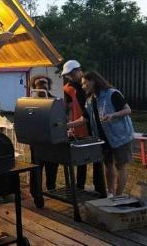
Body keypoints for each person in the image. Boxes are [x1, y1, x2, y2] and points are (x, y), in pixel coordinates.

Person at [67, 71, 134, 197]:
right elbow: (84, 119)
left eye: (84, 83)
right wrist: (67, 125)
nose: (82, 86)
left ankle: (118, 196)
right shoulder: (90, 100)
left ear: (93, 82)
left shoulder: (112, 94)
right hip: (102, 139)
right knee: (108, 165)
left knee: (120, 166)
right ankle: (110, 194)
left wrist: (113, 115)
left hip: (120, 137)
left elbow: (127, 110)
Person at [62, 60, 106, 196]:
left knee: (97, 159)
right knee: (82, 158)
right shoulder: (68, 87)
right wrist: (70, 123)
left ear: (78, 71)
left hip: (93, 126)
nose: (69, 77)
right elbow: (69, 107)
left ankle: (100, 189)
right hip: (79, 126)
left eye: (70, 74)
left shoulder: (89, 85)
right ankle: (80, 186)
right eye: (68, 75)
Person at [30, 74, 59, 191]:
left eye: (44, 82)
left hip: (52, 141)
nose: (42, 85)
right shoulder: (30, 103)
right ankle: (35, 191)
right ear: (34, 86)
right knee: (36, 167)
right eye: (39, 83)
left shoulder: (55, 101)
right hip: (36, 141)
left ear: (49, 85)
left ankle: (51, 189)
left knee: (52, 167)